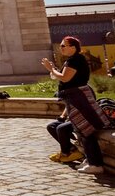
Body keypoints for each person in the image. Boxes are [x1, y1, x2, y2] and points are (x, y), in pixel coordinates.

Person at [41, 36, 108, 175]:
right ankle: (89, 159)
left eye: (63, 46)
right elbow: (63, 77)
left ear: (73, 47)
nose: (61, 48)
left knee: (86, 129)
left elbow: (65, 78)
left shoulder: (76, 60)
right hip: (75, 98)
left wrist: (51, 69)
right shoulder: (72, 60)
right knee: (80, 128)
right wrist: (53, 69)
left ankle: (96, 163)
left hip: (79, 98)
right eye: (61, 46)